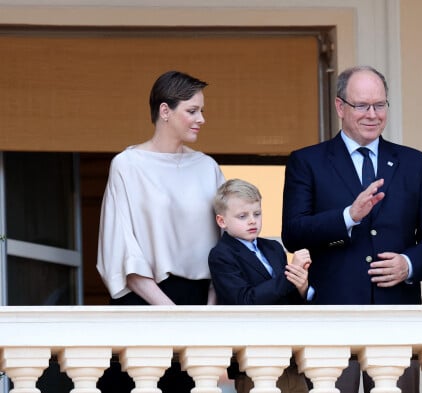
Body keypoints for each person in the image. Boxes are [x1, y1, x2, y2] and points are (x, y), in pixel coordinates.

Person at [281, 65, 422, 393]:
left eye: (380, 105)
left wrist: (409, 264)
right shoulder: (308, 162)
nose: (372, 115)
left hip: (397, 312)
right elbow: (294, 232)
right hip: (332, 312)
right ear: (340, 107)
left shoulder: (416, 163)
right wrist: (347, 216)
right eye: (362, 106)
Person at [96, 70, 225, 393]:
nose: (201, 119)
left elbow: (226, 244)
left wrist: (209, 307)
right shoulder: (127, 165)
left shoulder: (207, 167)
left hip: (199, 306)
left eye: (202, 111)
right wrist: (170, 313)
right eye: (192, 111)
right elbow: (121, 247)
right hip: (144, 304)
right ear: (165, 111)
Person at [208, 178, 312, 393]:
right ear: (222, 221)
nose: (252, 221)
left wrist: (301, 286)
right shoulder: (221, 254)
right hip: (254, 357)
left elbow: (289, 298)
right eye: (242, 216)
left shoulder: (273, 248)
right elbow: (244, 300)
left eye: (257, 214)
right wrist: (289, 276)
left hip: (290, 352)